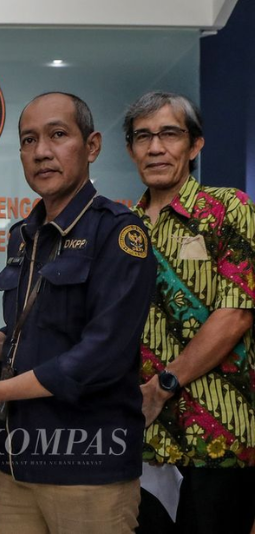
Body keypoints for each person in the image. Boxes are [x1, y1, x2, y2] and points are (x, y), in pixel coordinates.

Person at [0, 92, 156, 534]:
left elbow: (102, 354)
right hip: (13, 464)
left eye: (57, 135)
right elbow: (43, 331)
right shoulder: (23, 235)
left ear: (91, 146)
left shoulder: (118, 232)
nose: (41, 151)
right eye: (29, 140)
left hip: (88, 466)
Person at [124, 91, 255, 534]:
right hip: (140, 437)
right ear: (130, 150)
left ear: (195, 145)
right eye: (143, 136)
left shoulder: (229, 208)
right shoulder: (122, 228)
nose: (155, 147)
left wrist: (164, 385)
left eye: (169, 134)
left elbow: (236, 313)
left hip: (218, 435)